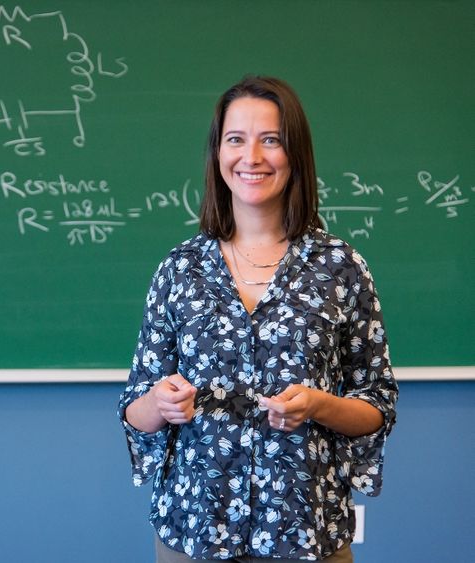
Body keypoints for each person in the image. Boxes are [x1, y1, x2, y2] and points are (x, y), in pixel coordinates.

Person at [118, 76, 398, 562]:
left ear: (295, 153)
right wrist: (160, 405)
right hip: (194, 534)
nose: (252, 157)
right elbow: (134, 409)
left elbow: (377, 404)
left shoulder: (341, 266)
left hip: (307, 534)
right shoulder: (181, 268)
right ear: (217, 153)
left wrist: (316, 405)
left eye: (271, 139)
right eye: (235, 139)